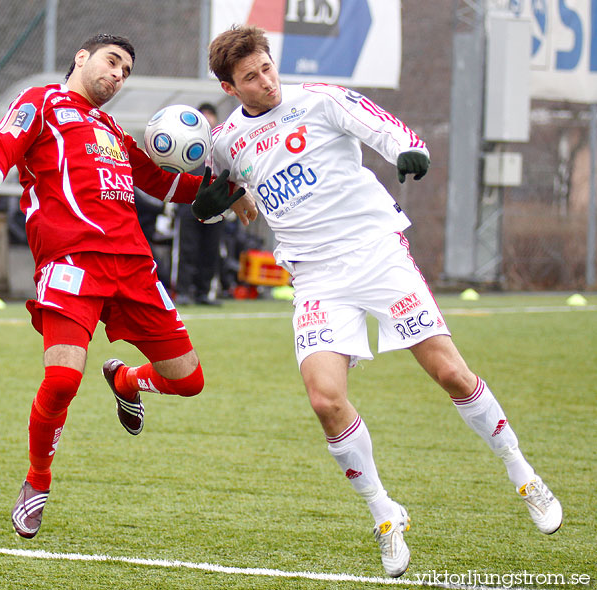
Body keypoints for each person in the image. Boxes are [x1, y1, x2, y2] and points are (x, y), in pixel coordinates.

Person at [204, 25, 562, 578]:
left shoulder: (319, 99)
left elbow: (383, 126)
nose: (266, 82)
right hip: (316, 276)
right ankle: (386, 515)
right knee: (325, 401)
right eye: (251, 77)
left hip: (376, 254)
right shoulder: (228, 140)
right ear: (230, 86)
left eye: (268, 67)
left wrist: (408, 150)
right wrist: (218, 203)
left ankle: (524, 476)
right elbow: (224, 192)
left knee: (450, 373)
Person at [0, 33, 254, 540]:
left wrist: (226, 193)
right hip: (71, 263)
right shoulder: (41, 103)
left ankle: (126, 381)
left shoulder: (112, 130)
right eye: (112, 62)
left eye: (125, 70)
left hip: (133, 266)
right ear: (81, 58)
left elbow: (159, 181)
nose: (118, 75)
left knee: (188, 380)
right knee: (62, 380)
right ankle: (38, 479)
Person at [174, 103, 224, 305]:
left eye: (212, 115)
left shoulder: (221, 143)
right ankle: (183, 291)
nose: (209, 119)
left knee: (211, 249)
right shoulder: (185, 141)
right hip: (188, 204)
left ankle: (204, 292)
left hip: (215, 206)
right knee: (187, 248)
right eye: (205, 115)